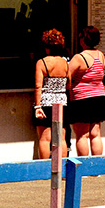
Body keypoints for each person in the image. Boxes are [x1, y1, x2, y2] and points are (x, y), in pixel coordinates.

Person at [68, 25, 105, 157]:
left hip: (82, 99)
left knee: (82, 135)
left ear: (84, 39)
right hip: (100, 97)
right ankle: (96, 168)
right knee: (96, 133)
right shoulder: (100, 55)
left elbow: (67, 75)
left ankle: (84, 166)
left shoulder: (79, 57)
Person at [32, 29, 69, 160]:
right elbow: (68, 83)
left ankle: (45, 169)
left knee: (45, 138)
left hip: (46, 103)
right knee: (61, 138)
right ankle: (61, 167)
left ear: (46, 46)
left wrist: (38, 106)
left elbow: (38, 86)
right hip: (62, 102)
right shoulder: (65, 63)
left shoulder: (42, 63)